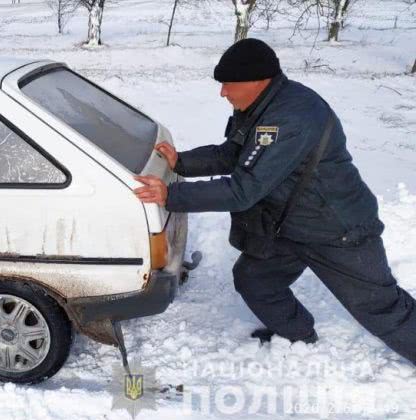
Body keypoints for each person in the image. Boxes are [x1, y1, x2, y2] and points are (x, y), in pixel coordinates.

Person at [133, 38, 416, 365]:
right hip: (293, 224)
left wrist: (171, 195)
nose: (222, 92)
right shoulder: (261, 106)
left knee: (381, 307)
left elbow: (244, 189)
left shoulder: (289, 118)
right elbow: (235, 154)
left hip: (339, 229)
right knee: (256, 280)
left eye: (227, 84)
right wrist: (181, 162)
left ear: (256, 81)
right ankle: (298, 336)